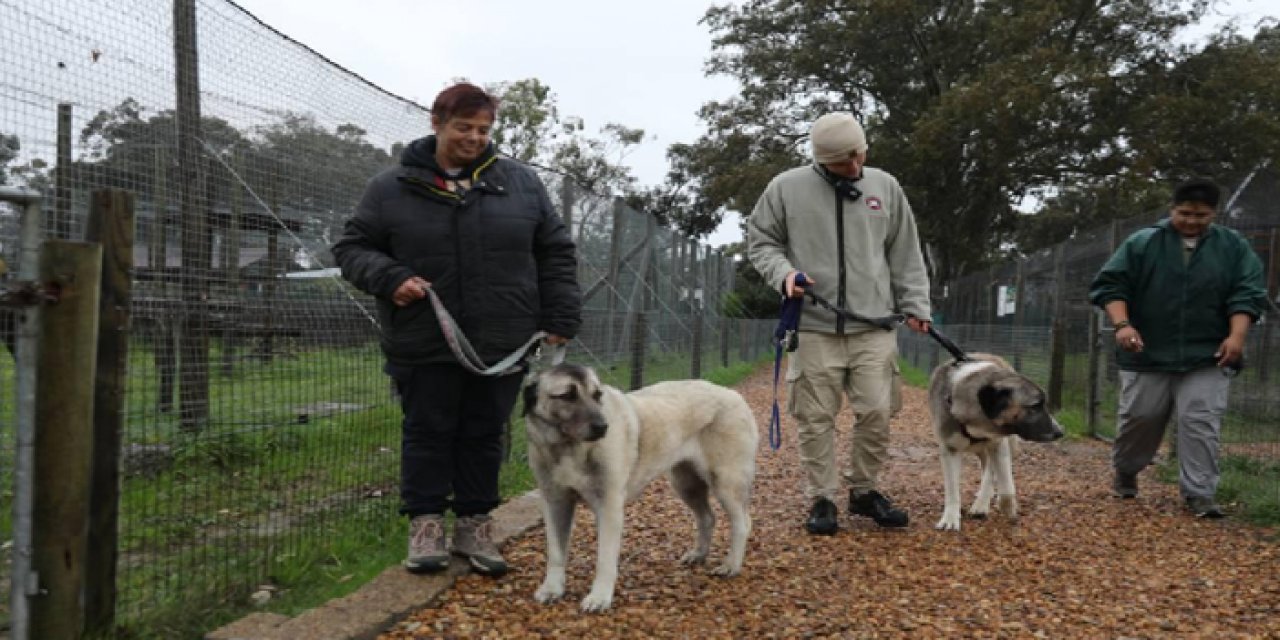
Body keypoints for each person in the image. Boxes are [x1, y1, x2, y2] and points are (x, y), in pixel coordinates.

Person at [332, 82, 582, 574]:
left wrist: (561, 315)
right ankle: (426, 525)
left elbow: (554, 251)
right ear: (437, 123)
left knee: (485, 433)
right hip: (424, 336)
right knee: (428, 430)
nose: (474, 138)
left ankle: (475, 524)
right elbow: (351, 248)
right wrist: (391, 277)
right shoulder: (391, 187)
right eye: (463, 127)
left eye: (483, 129)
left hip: (503, 339)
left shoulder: (520, 184)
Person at [747, 112, 932, 534]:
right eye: (839, 163)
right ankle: (823, 498)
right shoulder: (785, 188)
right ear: (818, 159)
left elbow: (905, 252)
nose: (852, 169)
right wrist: (784, 274)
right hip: (814, 325)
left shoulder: (885, 186)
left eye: (856, 158)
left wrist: (916, 305)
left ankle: (864, 491)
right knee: (815, 417)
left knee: (877, 411)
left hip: (874, 324)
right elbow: (761, 240)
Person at [1089, 178, 1267, 518]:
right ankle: (1127, 469)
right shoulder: (1144, 242)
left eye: (1201, 215)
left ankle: (1199, 494)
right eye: (1184, 213)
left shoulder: (1232, 247)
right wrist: (1123, 325)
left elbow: (1248, 292)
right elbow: (1111, 285)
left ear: (1214, 214)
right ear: (1172, 209)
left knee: (1199, 420)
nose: (1191, 221)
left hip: (1208, 353)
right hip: (1147, 351)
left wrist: (1237, 336)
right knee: (1141, 416)